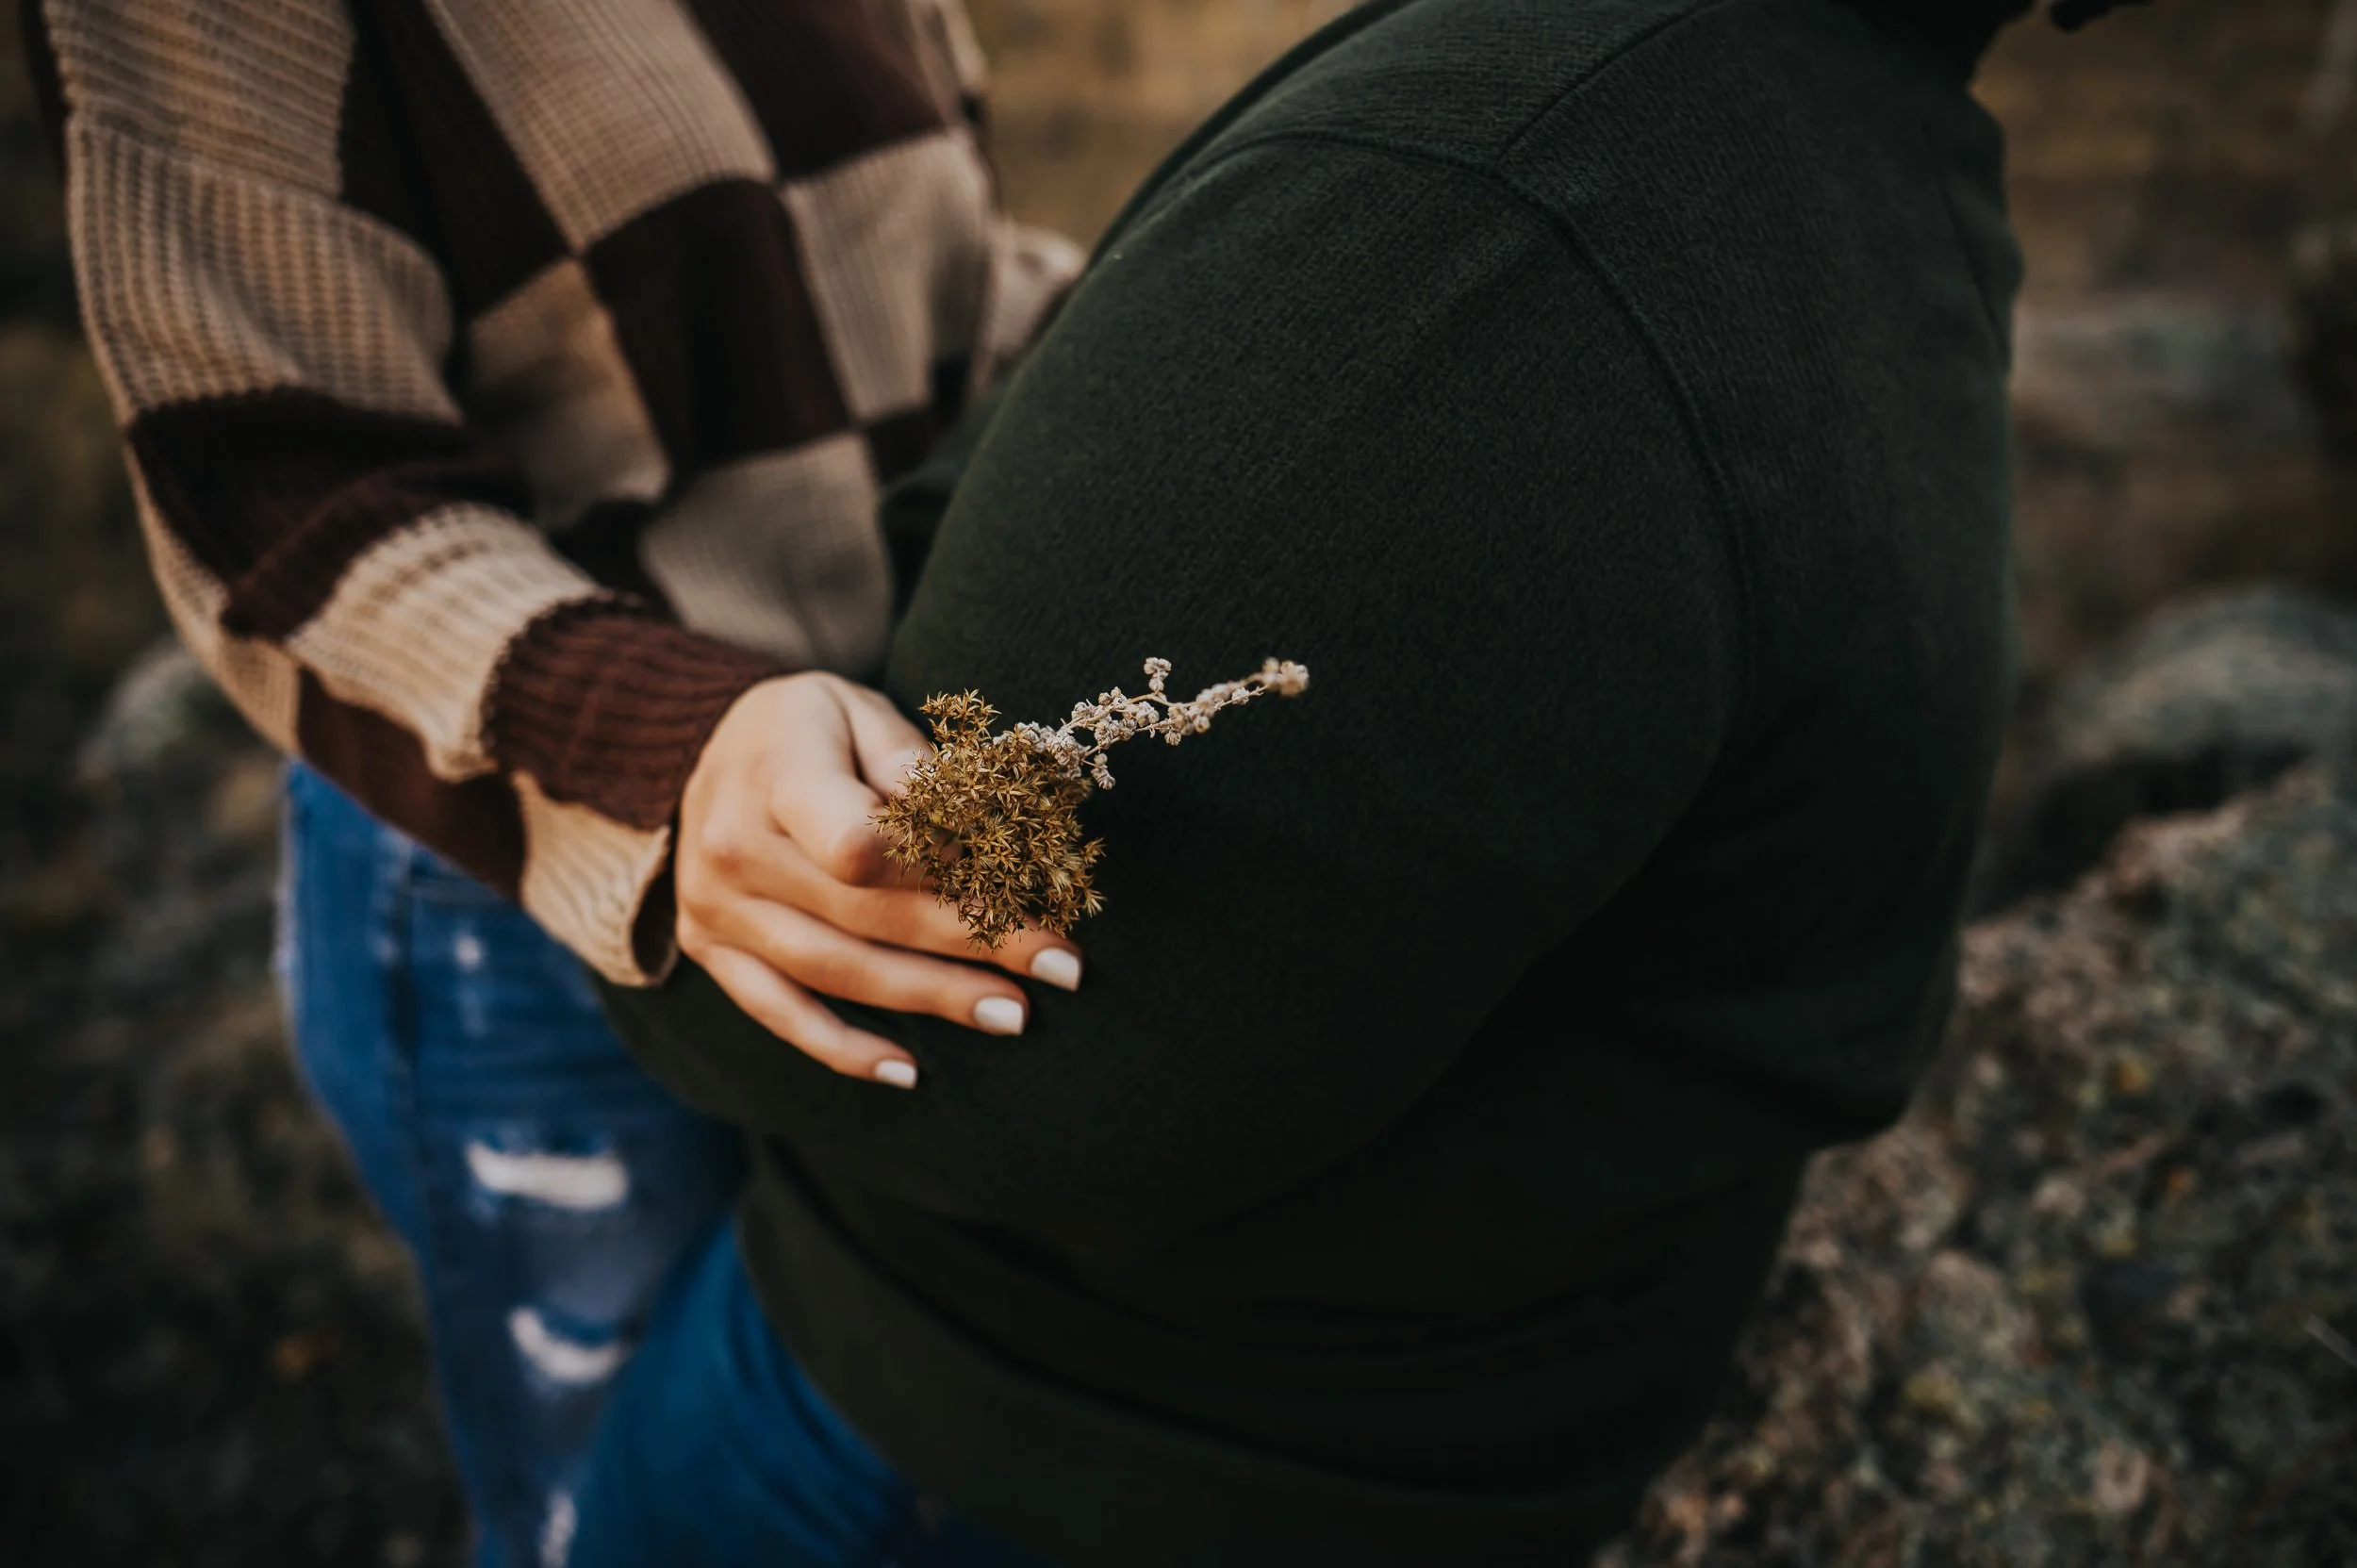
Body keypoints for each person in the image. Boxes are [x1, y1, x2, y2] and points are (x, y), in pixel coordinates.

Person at [576, 0, 2103, 1563]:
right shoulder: (1863, 154)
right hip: (1417, 1443)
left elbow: (1025, 1068)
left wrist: (618, 850)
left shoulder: (1495, 216)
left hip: (1011, 1458)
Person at [25, 0, 1082, 1562]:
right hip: (524, 829)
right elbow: (273, 477)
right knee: (620, 1504)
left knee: (891, 1434)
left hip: (857, 799)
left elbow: (956, 283)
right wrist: (671, 743)